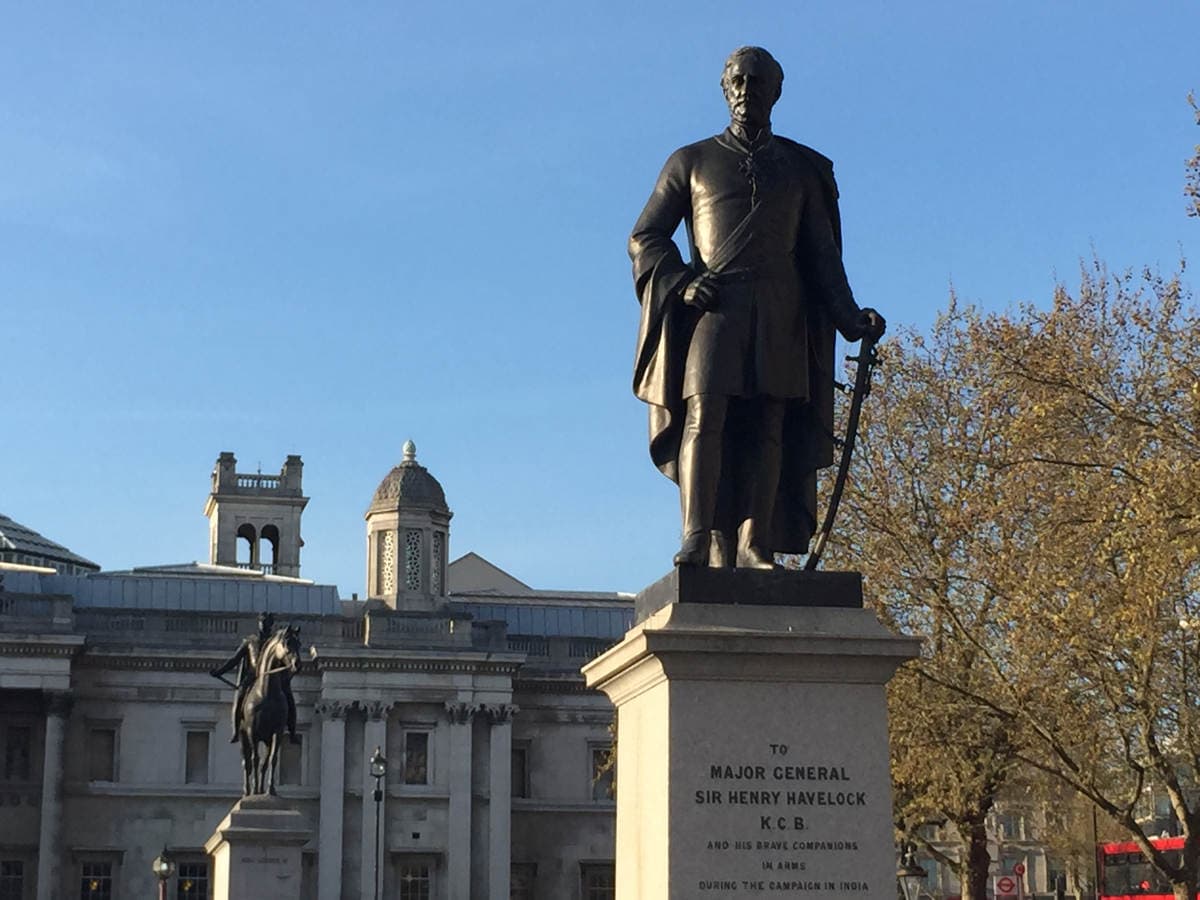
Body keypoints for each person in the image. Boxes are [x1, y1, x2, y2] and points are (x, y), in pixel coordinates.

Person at [629, 46, 885, 569]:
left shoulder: (801, 169)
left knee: (770, 424)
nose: (747, 91)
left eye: (758, 82)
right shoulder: (691, 161)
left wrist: (850, 315)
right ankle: (698, 537)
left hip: (781, 312)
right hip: (714, 309)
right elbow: (646, 235)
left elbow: (822, 256)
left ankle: (755, 544)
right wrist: (680, 284)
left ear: (776, 91)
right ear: (726, 90)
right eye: (738, 82)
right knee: (705, 414)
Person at [210, 611, 298, 743]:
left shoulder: (275, 643)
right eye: (262, 623)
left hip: (274, 680)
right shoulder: (250, 641)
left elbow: (283, 659)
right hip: (252, 678)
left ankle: (292, 732)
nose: (264, 626)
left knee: (289, 699)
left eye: (267, 623)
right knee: (239, 697)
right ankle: (236, 729)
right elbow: (234, 660)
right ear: (259, 623)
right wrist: (220, 671)